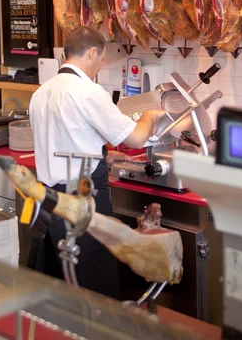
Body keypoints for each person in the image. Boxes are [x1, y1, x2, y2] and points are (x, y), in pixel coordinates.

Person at [28, 26, 164, 299]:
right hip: (83, 205)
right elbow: (137, 138)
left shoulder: (41, 93)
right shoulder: (87, 91)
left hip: (49, 206)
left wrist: (101, 154)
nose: (99, 66)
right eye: (101, 59)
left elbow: (62, 141)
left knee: (59, 295)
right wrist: (150, 114)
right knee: (95, 295)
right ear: (92, 52)